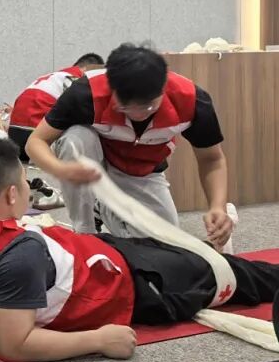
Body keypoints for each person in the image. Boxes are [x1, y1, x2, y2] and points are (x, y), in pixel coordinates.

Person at [0, 138, 279, 362]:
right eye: (24, 183)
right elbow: (13, 345)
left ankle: (211, 247)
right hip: (134, 284)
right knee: (240, 275)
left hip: (95, 251)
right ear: (10, 194)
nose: (27, 191)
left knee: (187, 249)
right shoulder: (18, 255)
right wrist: (99, 340)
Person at [25, 43, 233, 248]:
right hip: (93, 163)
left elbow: (212, 159)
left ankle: (102, 206)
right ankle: (85, 232)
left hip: (142, 170)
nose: (137, 115)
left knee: (162, 247)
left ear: (163, 90)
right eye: (124, 107)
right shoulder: (86, 92)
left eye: (148, 107)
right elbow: (35, 142)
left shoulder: (192, 101)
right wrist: (61, 169)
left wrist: (218, 206)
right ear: (111, 87)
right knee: (76, 138)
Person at [6, 53, 104, 209]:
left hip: (15, 138)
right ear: (88, 69)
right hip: (37, 138)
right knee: (86, 134)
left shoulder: (52, 76)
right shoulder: (77, 79)